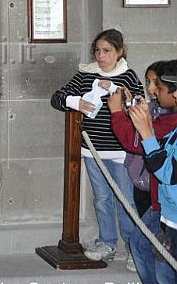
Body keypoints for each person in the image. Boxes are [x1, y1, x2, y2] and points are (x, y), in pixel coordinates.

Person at [51, 29, 144, 263]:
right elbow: (57, 98)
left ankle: (135, 250)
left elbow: (140, 104)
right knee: (101, 198)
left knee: (126, 200)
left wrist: (116, 91)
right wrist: (74, 102)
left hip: (121, 152)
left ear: (119, 52)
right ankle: (107, 243)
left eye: (107, 51)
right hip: (92, 150)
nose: (101, 56)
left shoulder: (128, 76)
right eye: (97, 51)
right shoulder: (85, 74)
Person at [111, 60, 177, 284]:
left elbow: (166, 171)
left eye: (158, 86)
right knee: (159, 264)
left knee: (166, 272)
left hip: (168, 212)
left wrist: (142, 129)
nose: (153, 91)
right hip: (167, 212)